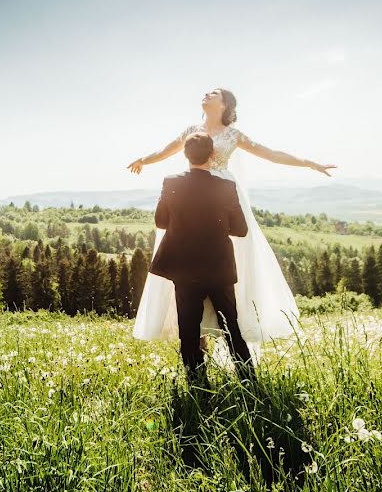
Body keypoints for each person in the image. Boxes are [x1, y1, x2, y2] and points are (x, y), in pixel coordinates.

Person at [129, 88, 336, 364]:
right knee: (189, 267)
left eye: (213, 93)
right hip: (191, 201)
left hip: (222, 201)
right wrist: (144, 159)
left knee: (226, 269)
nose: (205, 94)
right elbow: (165, 151)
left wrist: (310, 164)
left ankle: (228, 337)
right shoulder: (191, 130)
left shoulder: (233, 135)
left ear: (225, 104)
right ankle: (197, 341)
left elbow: (271, 153)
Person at [149, 131, 252, 382]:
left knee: (189, 328)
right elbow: (240, 229)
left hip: (183, 267)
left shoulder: (171, 182)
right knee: (232, 327)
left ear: (185, 155)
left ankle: (196, 383)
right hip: (219, 265)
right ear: (213, 153)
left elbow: (161, 222)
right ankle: (248, 379)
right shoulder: (226, 186)